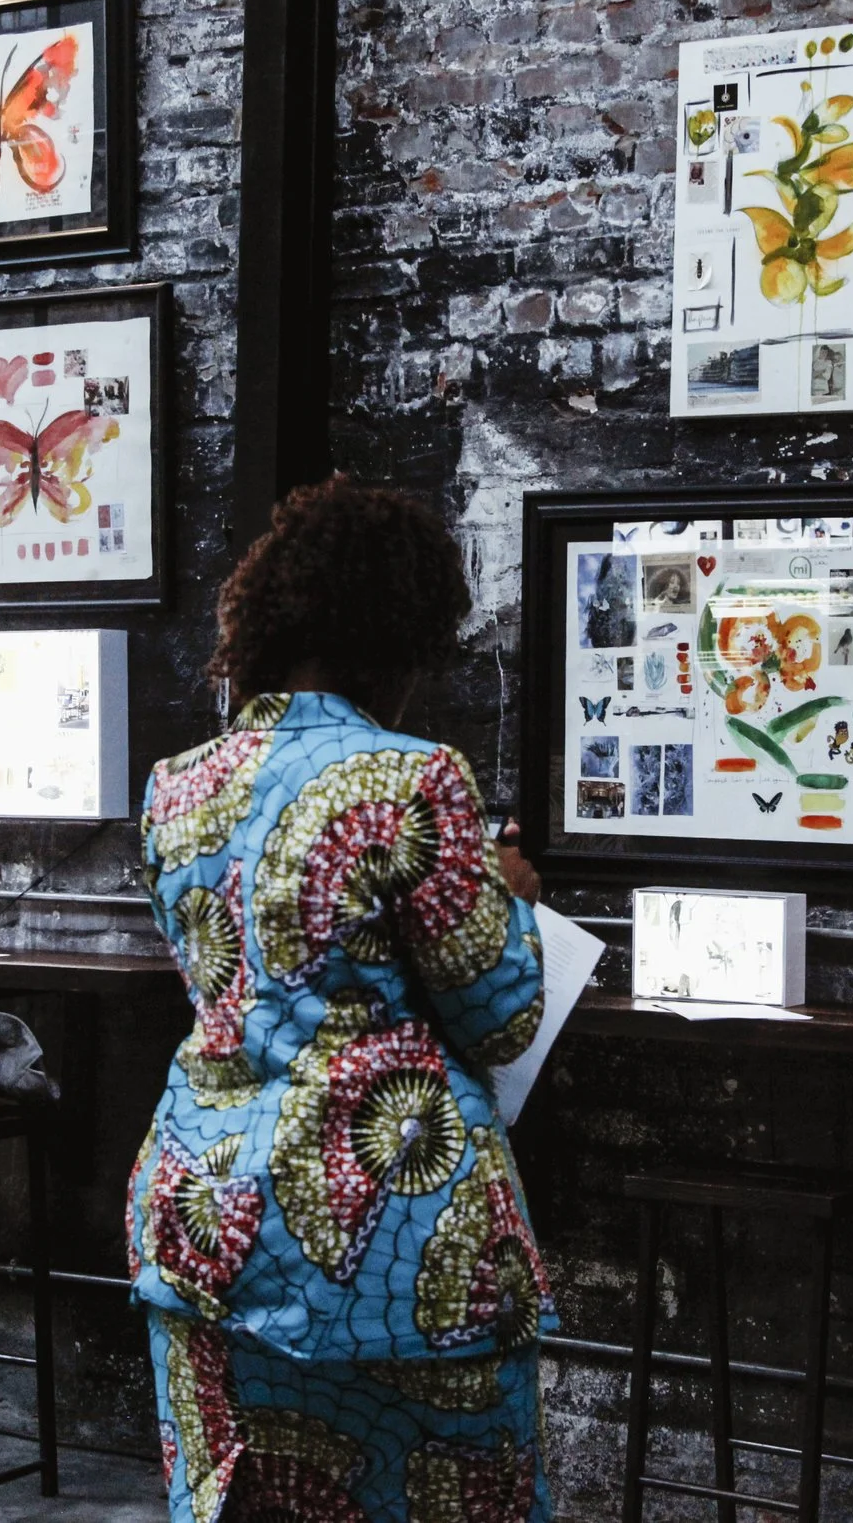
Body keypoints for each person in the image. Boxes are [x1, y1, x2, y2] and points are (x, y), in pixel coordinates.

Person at [127, 477, 554, 1523]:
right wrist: (512, 898)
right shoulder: (416, 779)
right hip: (401, 1255)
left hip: (204, 1219)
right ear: (394, 636)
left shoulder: (177, 783)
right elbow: (500, 1011)